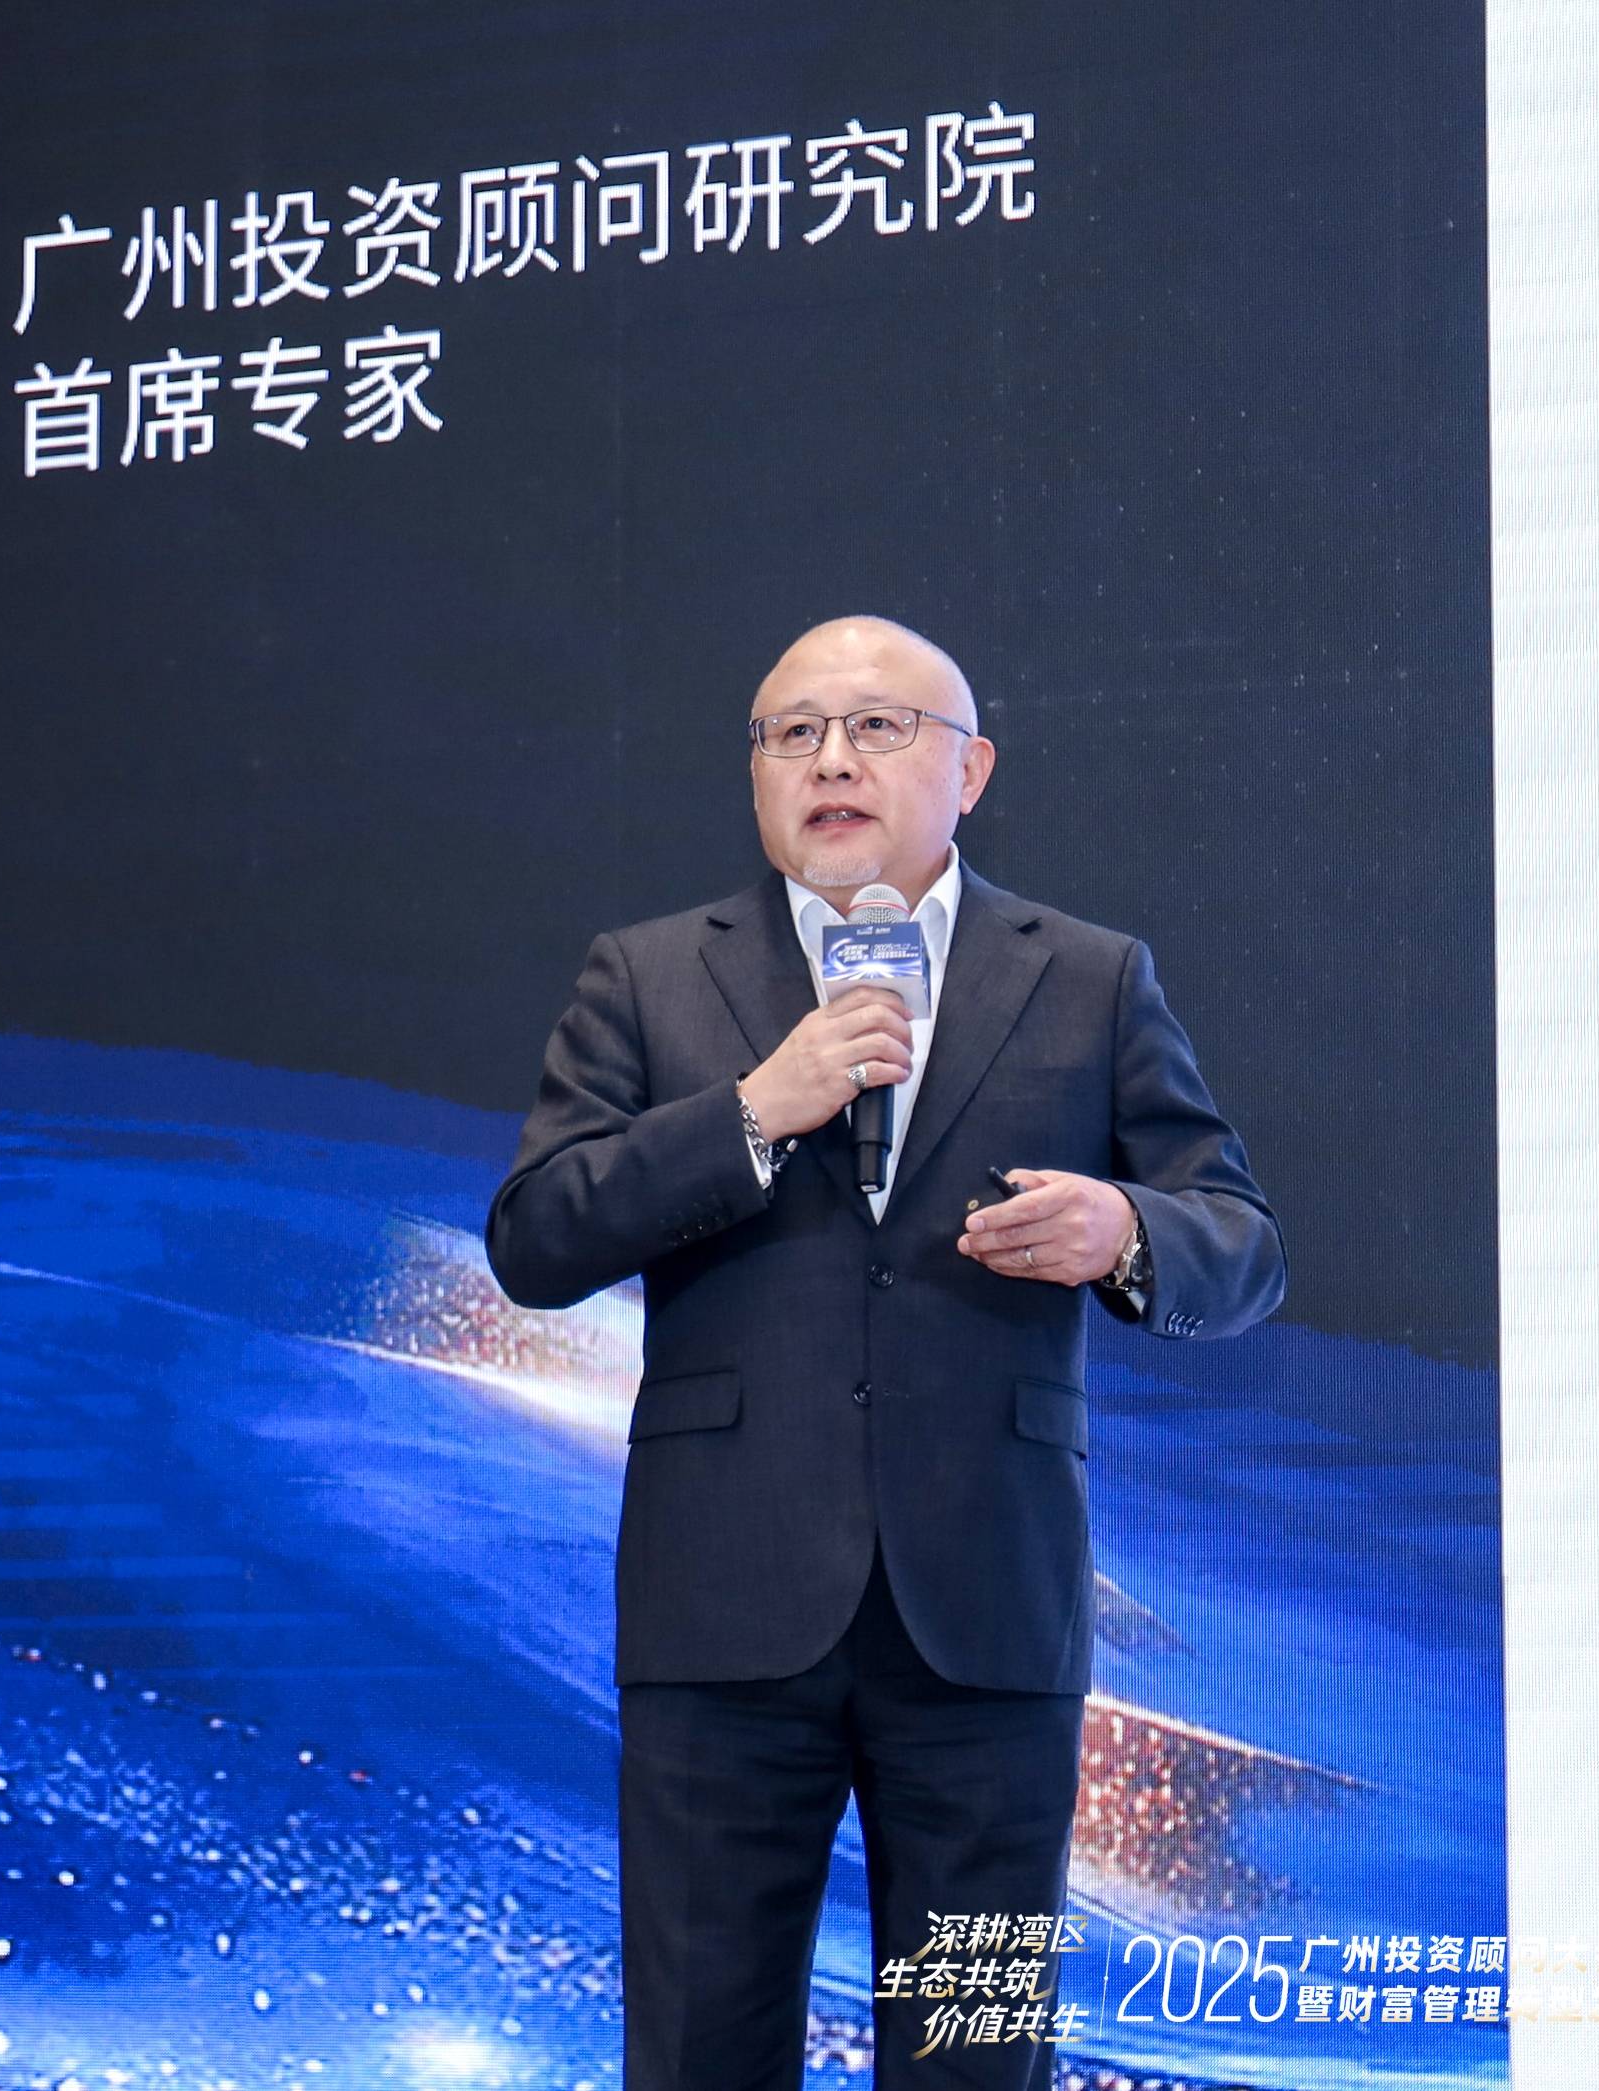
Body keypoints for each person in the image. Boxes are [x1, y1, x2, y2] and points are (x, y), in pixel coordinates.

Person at [485, 616, 1285, 2090]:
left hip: (985, 1619)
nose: (830, 760)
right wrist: (748, 1112)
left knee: (976, 2053)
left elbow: (1241, 1246)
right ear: (755, 777)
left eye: (875, 727)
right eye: (791, 733)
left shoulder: (1088, 976)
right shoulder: (650, 976)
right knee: (701, 2050)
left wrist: (1122, 1230)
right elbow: (536, 1239)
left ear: (968, 771)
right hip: (721, 1616)